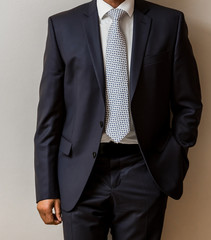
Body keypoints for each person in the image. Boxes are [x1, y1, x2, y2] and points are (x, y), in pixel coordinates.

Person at [34, 0, 202, 239]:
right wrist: (45, 187)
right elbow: (50, 114)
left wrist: (174, 153)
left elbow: (189, 103)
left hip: (144, 170)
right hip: (79, 175)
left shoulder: (169, 23)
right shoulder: (63, 26)